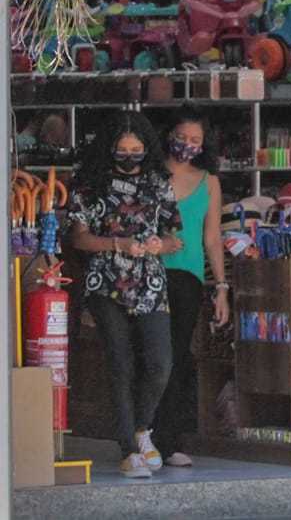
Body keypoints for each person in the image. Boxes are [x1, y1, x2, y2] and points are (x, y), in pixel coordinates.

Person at [68, 110, 183, 479]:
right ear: (110, 148)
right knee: (120, 364)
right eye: (122, 149)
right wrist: (118, 243)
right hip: (105, 281)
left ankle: (142, 428)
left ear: (146, 149)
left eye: (136, 149)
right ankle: (128, 449)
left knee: (160, 363)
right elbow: (79, 237)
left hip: (150, 280)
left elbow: (175, 237)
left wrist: (157, 244)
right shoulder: (88, 184)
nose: (130, 156)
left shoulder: (158, 182)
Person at [152, 106, 229, 468]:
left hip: (188, 276)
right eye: (181, 137)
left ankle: (169, 439)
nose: (187, 144)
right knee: (151, 355)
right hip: (146, 271)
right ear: (169, 135)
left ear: (204, 144)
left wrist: (222, 286)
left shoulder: (209, 181)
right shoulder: (149, 174)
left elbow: (213, 238)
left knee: (178, 356)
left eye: (195, 140)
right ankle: (142, 435)